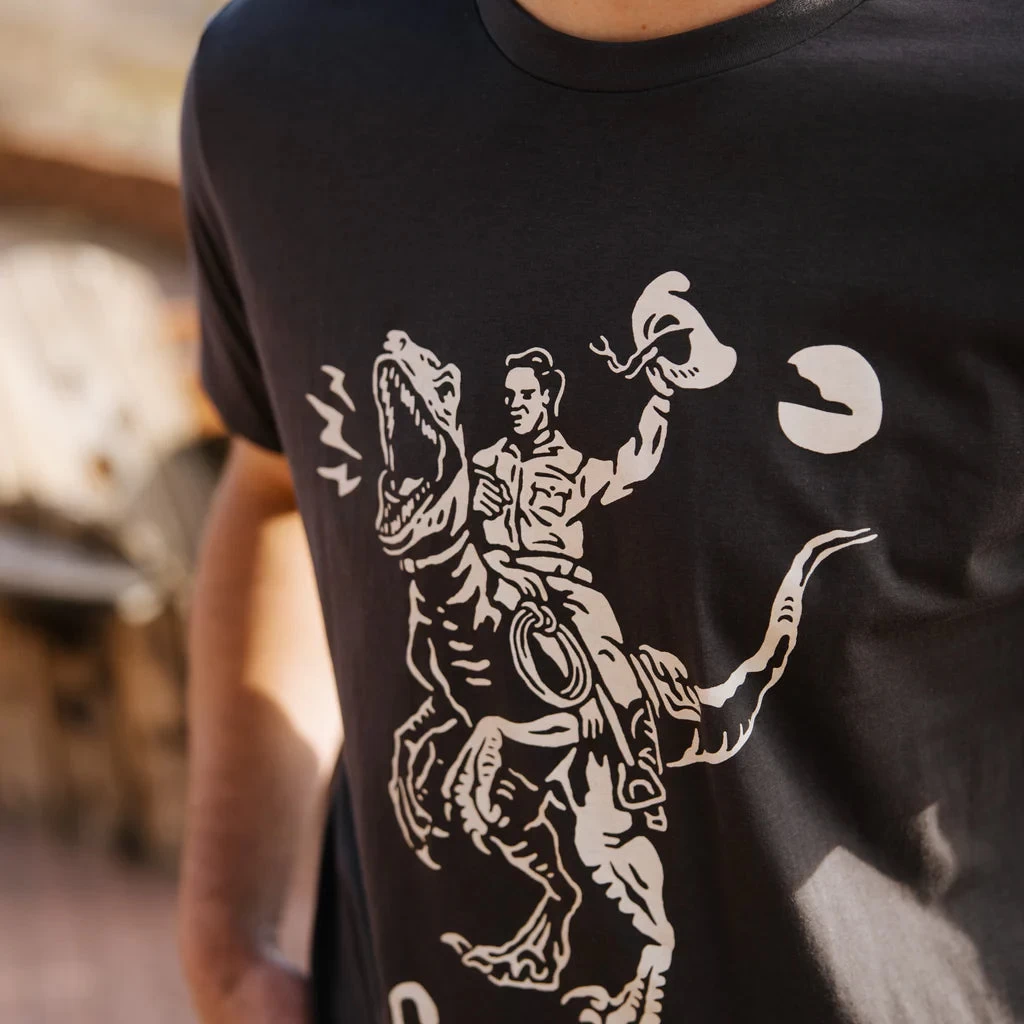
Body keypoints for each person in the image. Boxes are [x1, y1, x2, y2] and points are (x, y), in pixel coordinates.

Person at [177, 0, 1024, 1023]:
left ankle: (624, 770)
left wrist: (658, 394)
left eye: (527, 396)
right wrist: (226, 939)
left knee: (579, 661)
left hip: (561, 607)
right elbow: (283, 479)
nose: (519, 405)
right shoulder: (276, 80)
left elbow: (628, 468)